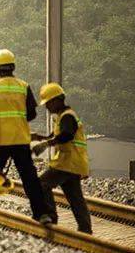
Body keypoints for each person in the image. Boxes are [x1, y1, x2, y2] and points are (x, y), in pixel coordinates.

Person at [0, 49, 51, 224]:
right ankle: (41, 214)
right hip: (20, 140)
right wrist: (17, 119)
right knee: (29, 179)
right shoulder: (23, 86)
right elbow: (31, 114)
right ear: (13, 67)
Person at [32, 83, 92, 234]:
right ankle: (85, 230)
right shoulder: (63, 116)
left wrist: (47, 144)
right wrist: (41, 138)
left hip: (67, 162)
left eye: (48, 103)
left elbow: (66, 135)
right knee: (75, 198)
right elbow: (57, 135)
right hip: (73, 163)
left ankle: (51, 217)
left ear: (58, 100)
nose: (47, 107)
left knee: (41, 184)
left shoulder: (67, 117)